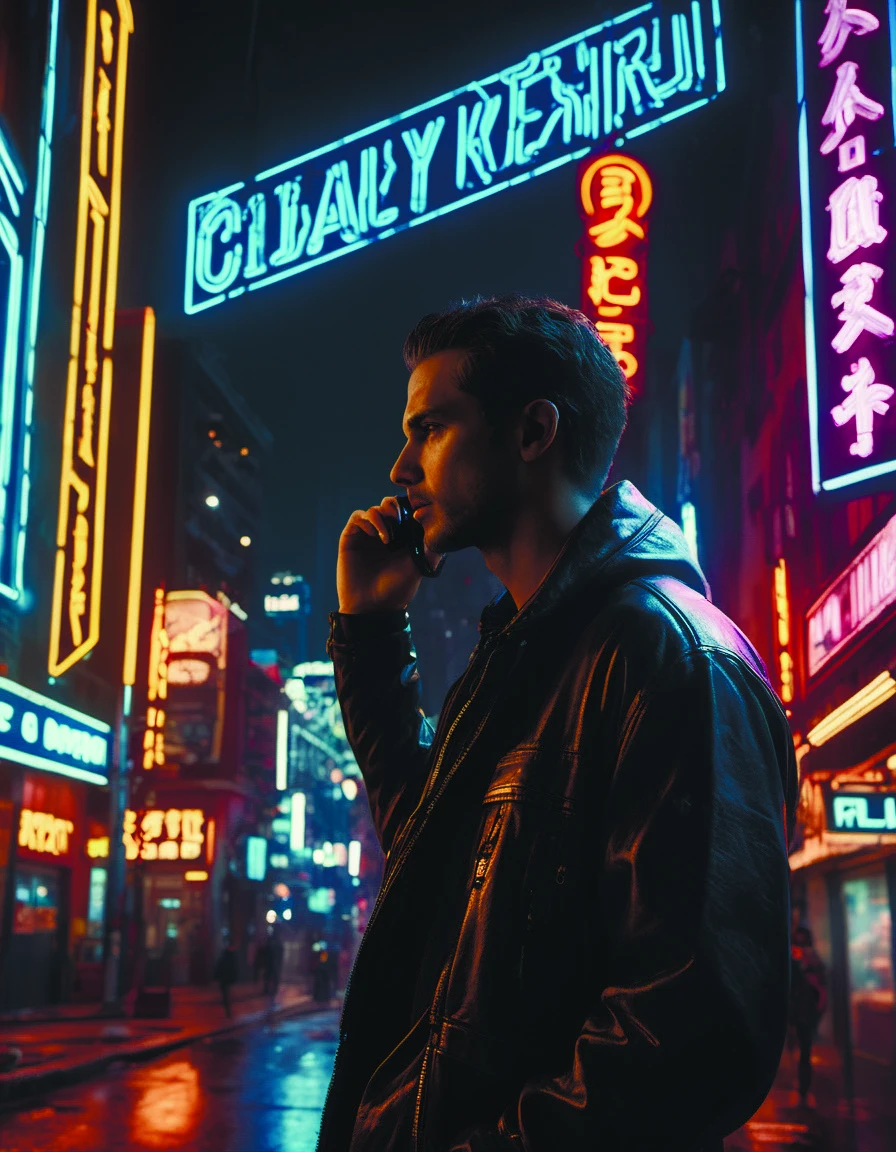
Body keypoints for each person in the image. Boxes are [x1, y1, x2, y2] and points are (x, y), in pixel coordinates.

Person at [319, 295, 798, 1152]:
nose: (399, 465)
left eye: (430, 428)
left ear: (532, 432)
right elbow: (428, 853)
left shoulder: (669, 655)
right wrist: (369, 630)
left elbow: (691, 1032)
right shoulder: (524, 656)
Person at [789, 922, 828, 1105]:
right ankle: (800, 1084)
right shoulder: (795, 958)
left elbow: (820, 986)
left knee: (805, 1048)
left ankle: (803, 1086)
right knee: (801, 1047)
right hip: (798, 1008)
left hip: (805, 1009)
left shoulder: (812, 959)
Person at [213, 940, 238, 1018]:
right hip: (226, 978)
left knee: (226, 995)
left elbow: (219, 967)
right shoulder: (229, 956)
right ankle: (228, 1011)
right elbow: (232, 968)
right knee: (226, 995)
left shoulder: (225, 956)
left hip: (225, 979)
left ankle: (228, 1011)